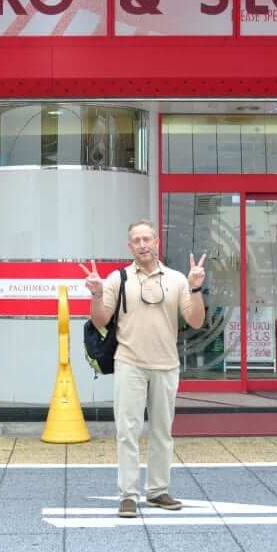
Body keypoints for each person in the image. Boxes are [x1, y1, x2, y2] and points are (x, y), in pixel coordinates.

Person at [79, 219, 206, 519]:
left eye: (147, 239)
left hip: (166, 365)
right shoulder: (117, 278)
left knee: (163, 431)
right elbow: (100, 320)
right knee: (128, 432)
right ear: (129, 246)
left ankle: (158, 490)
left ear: (157, 242)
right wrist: (96, 294)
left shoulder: (176, 279)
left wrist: (197, 288)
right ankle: (128, 494)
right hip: (129, 364)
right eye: (136, 240)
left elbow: (196, 321)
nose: (143, 244)